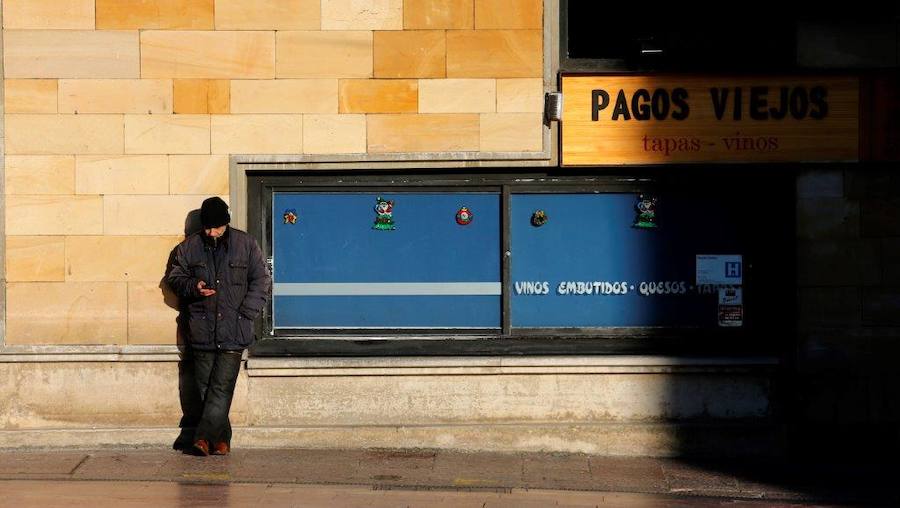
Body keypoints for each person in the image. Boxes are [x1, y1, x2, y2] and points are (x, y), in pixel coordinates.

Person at [166, 197, 271, 456]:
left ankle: (201, 438)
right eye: (207, 227)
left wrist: (246, 314)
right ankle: (221, 440)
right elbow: (175, 278)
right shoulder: (188, 248)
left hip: (234, 330)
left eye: (216, 227)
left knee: (222, 387)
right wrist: (195, 287)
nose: (211, 232)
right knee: (204, 389)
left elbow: (261, 281)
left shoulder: (245, 244)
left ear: (226, 223)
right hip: (201, 328)